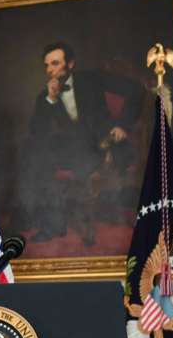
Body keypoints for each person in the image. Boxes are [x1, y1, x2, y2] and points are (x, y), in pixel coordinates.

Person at [21, 41, 145, 244]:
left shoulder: (92, 79)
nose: (49, 70)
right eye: (47, 65)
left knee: (72, 156)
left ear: (70, 64)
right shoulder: (45, 96)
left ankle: (84, 223)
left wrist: (123, 125)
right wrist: (51, 99)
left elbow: (136, 90)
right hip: (76, 149)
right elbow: (37, 133)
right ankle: (53, 224)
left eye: (55, 63)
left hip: (106, 144)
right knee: (35, 154)